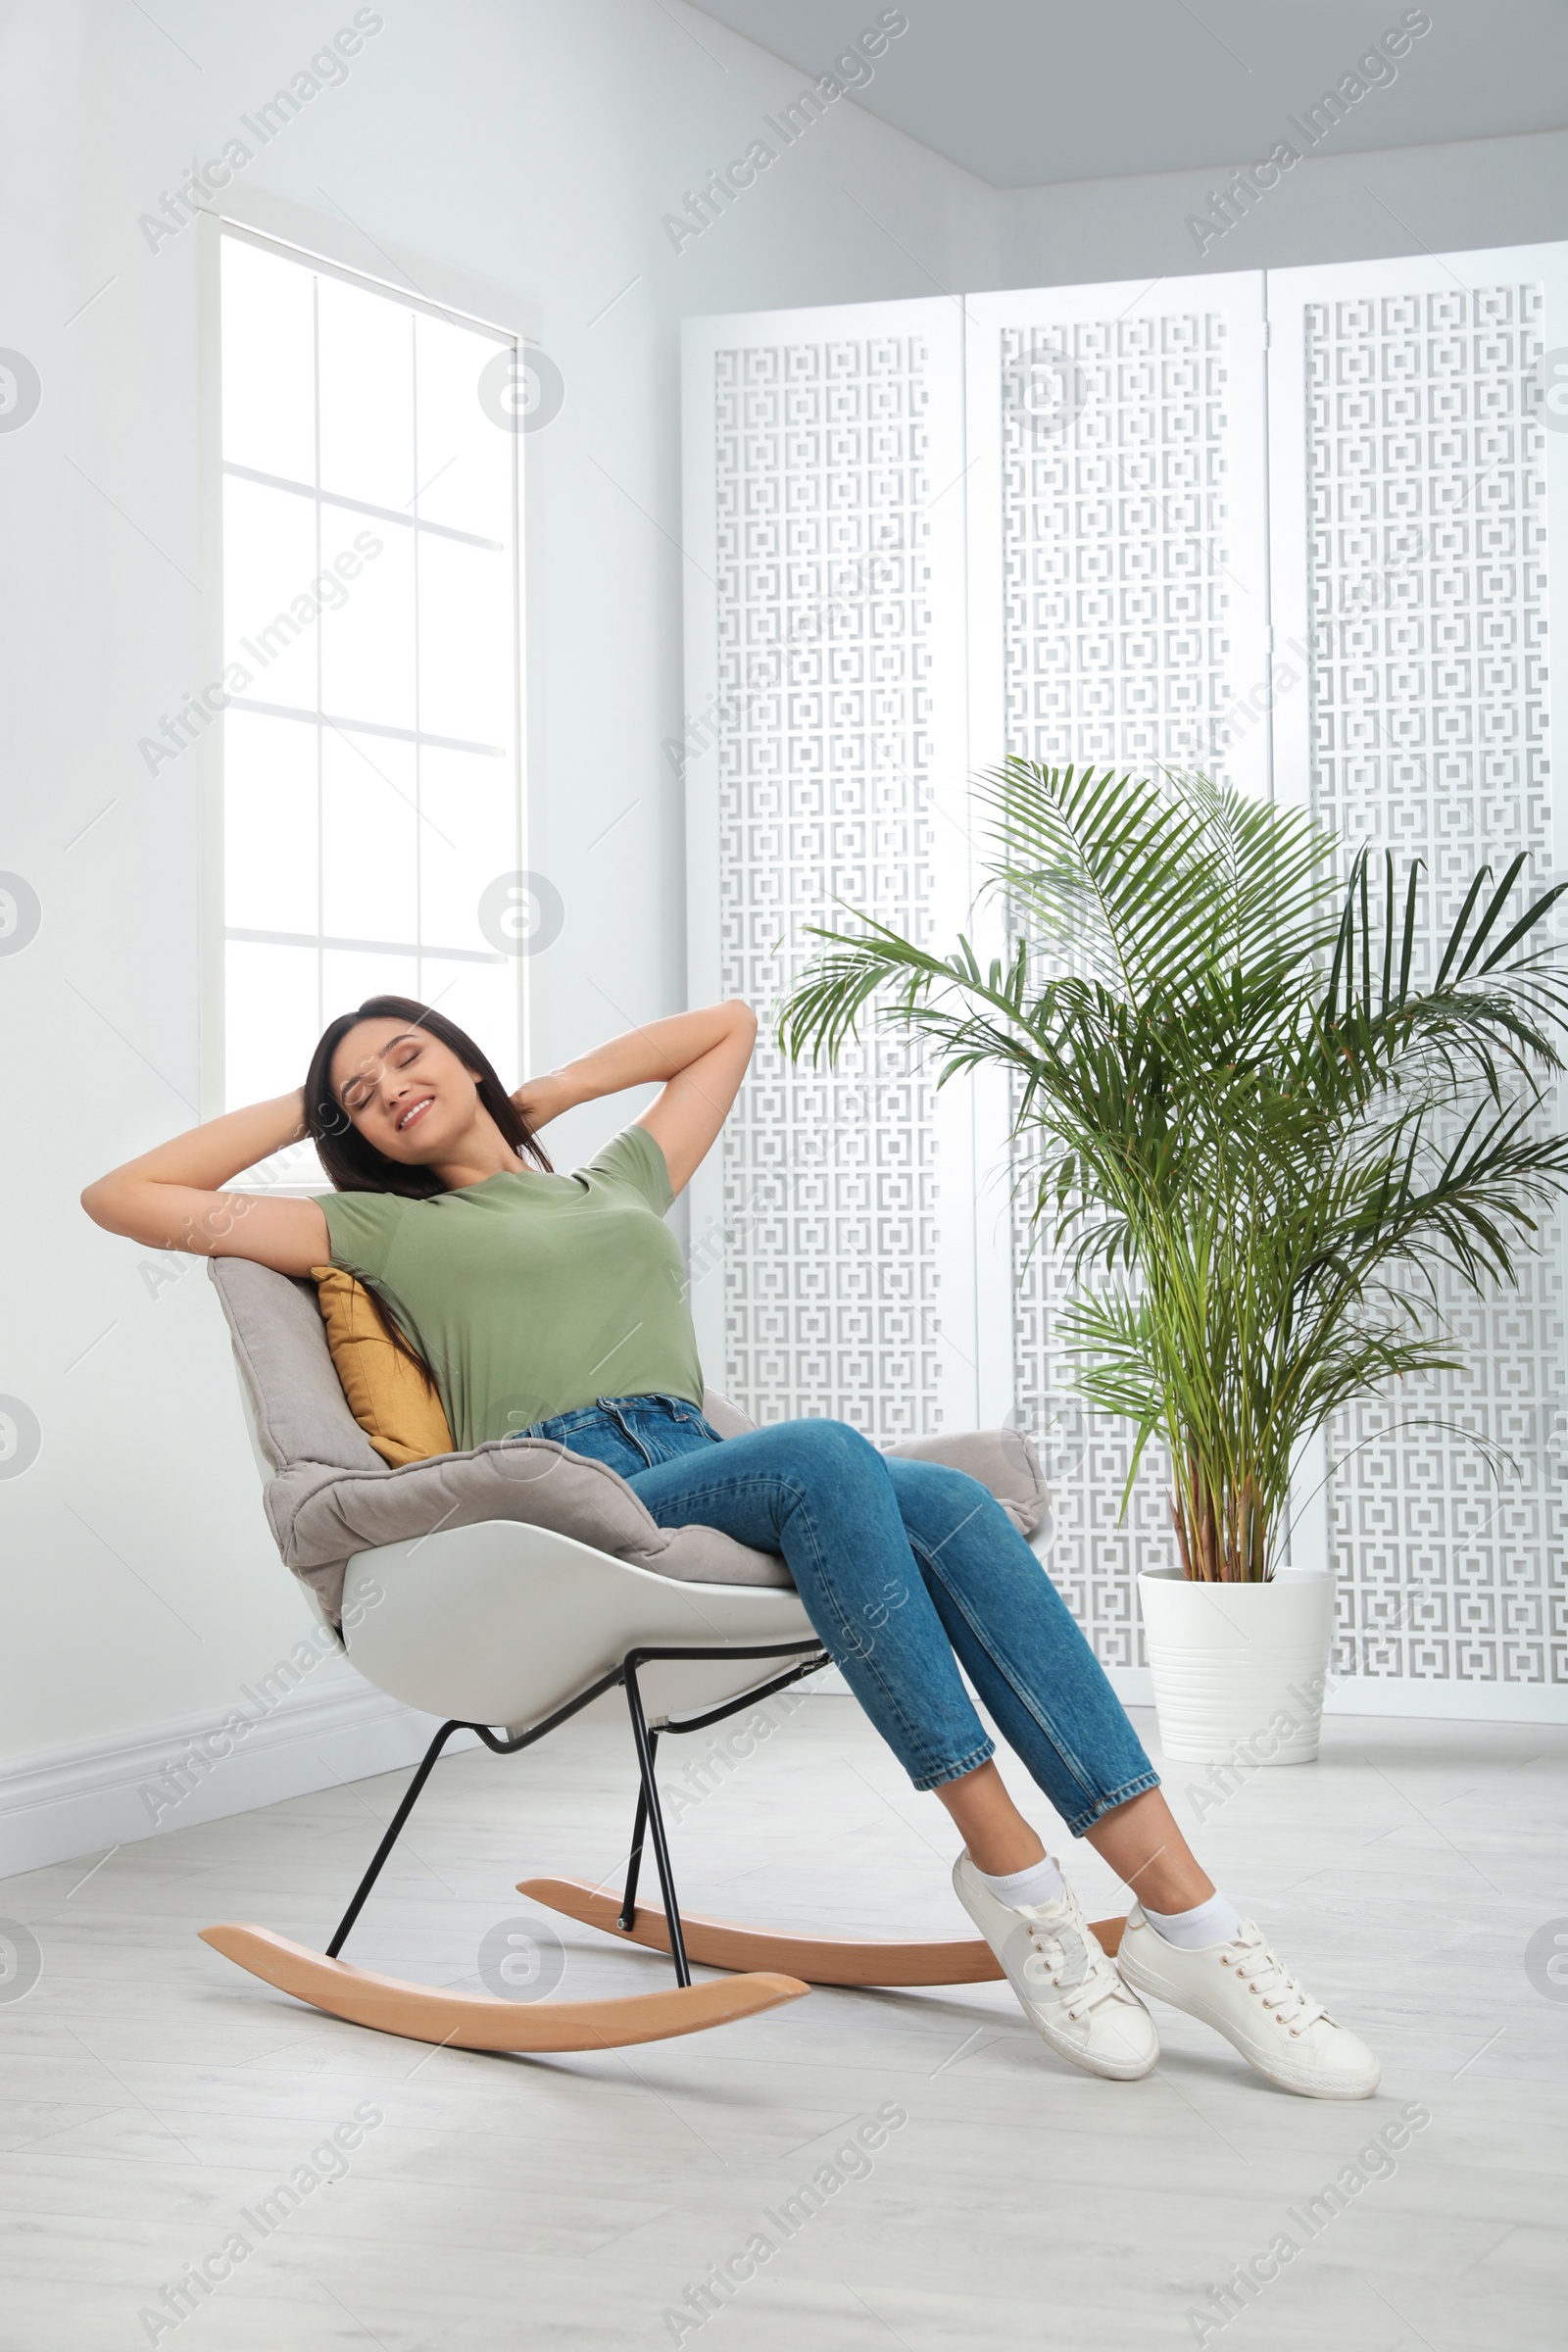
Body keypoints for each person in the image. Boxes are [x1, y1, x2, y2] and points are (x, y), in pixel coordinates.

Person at [83, 992, 1380, 2097]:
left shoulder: (618, 1179)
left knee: (949, 1506)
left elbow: (727, 1032)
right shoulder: (373, 1225)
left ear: (462, 1058)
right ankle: (1016, 1880)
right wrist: (302, 1112)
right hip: (576, 1487)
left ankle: (1193, 1919)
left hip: (691, 1455)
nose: (387, 1091)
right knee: (827, 1454)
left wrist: (554, 1088)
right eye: (358, 1096)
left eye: (406, 1057)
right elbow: (127, 1197)